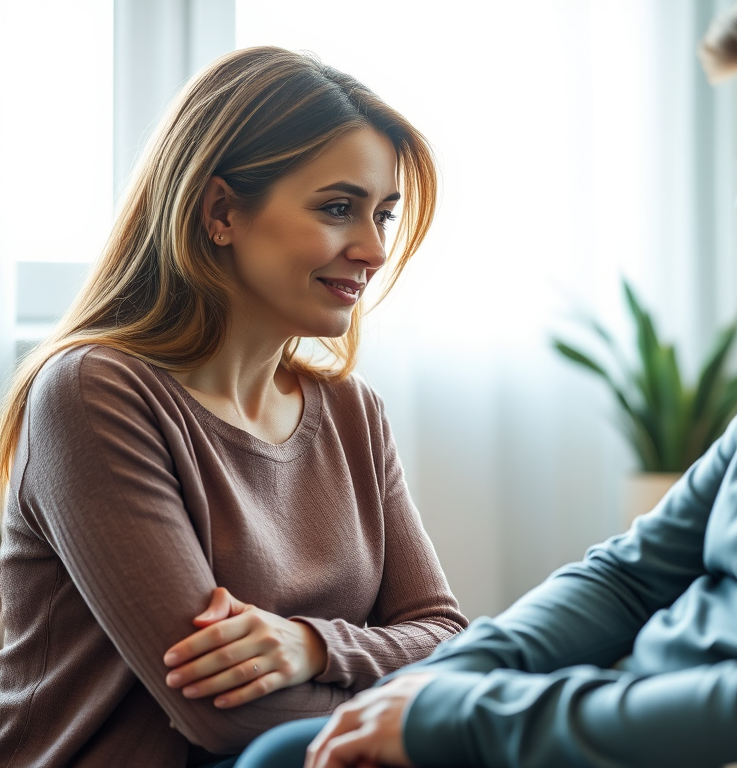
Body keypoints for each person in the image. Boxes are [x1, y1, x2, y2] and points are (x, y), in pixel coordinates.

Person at [233, 1, 737, 766]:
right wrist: (428, 684)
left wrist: (457, 716)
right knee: (292, 751)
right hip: (626, 719)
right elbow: (631, 573)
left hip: (713, 750)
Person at [0, 46, 467, 768]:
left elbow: (446, 632)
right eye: (339, 208)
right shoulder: (93, 393)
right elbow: (223, 719)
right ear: (220, 211)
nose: (374, 249)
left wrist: (314, 645)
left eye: (384, 215)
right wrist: (417, 716)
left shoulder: (352, 411)